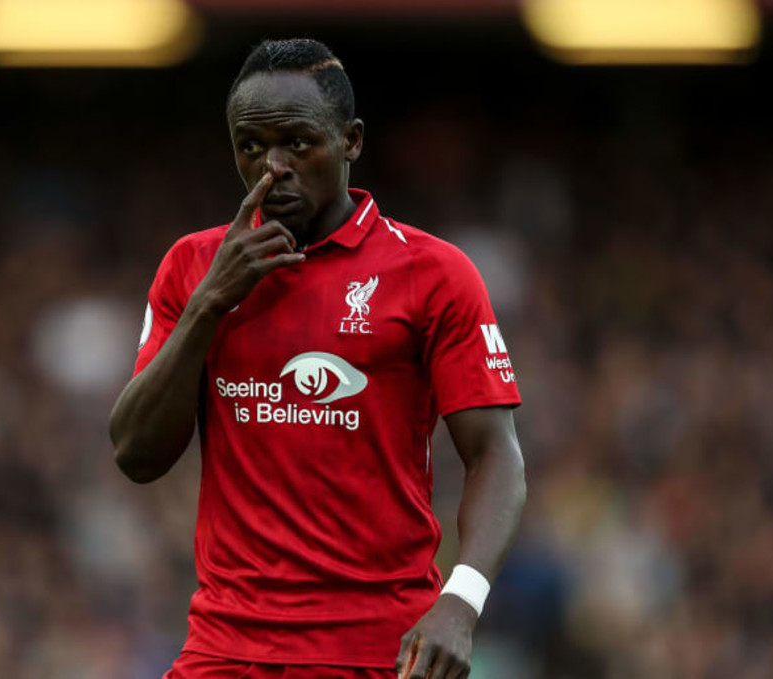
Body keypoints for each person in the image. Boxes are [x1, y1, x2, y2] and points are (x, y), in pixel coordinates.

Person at [109, 38, 527, 679]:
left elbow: (496, 455)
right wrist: (209, 304)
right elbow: (136, 454)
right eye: (251, 147)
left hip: (379, 650)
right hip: (225, 649)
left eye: (297, 143)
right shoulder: (194, 267)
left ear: (351, 140)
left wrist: (461, 602)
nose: (272, 167)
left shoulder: (433, 273)